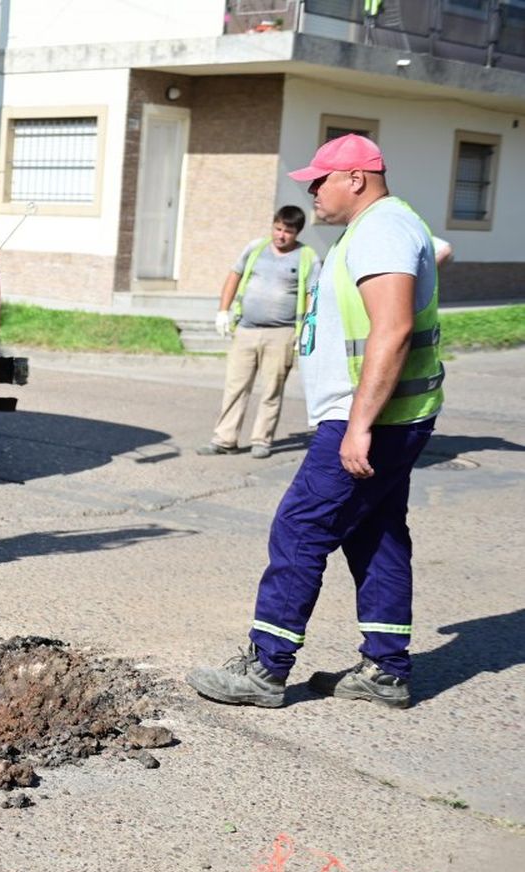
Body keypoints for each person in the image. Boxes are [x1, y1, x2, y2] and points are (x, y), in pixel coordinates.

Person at [187, 133, 444, 710]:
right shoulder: (380, 228)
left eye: (319, 180)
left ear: (356, 177)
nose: (311, 192)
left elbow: (393, 328)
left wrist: (358, 425)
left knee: (301, 527)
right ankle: (385, 669)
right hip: (383, 417)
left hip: (369, 419)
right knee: (373, 533)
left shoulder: (381, 230)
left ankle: (266, 668)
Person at [197, 207, 320, 460]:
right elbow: (234, 276)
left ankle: (261, 440)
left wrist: (306, 329)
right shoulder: (255, 248)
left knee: (271, 389)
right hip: (246, 329)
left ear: (297, 232)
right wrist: (223, 311)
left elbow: (312, 295)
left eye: (288, 231)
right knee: (235, 386)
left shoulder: (307, 257)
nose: (281, 235)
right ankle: (224, 439)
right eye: (278, 229)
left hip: (282, 333)